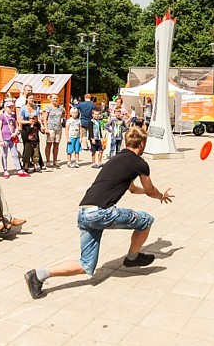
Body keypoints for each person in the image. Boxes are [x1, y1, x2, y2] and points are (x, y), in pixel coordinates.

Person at [24, 126, 174, 299]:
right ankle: (132, 258)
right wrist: (160, 195)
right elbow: (149, 190)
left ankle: (38, 275)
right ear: (142, 143)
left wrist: (149, 192)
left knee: (86, 266)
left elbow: (132, 189)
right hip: (101, 213)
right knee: (147, 220)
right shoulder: (140, 163)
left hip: (84, 211)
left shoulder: (116, 159)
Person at [0, 100, 28, 178]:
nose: (10, 108)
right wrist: (0, 139)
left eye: (11, 107)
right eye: (9, 107)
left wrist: (15, 133)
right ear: (5, 108)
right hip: (4, 138)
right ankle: (5, 170)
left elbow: (16, 126)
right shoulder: (2, 116)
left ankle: (19, 169)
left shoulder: (13, 116)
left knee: (15, 154)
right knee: (4, 154)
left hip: (12, 138)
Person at [43, 94, 65, 168]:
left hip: (58, 128)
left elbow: (63, 114)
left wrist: (60, 119)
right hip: (50, 128)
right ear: (51, 99)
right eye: (54, 98)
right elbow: (45, 119)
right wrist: (46, 128)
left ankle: (55, 160)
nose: (55, 100)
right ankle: (48, 161)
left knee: (56, 145)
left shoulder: (60, 107)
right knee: (49, 144)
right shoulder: (48, 108)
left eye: (56, 98)